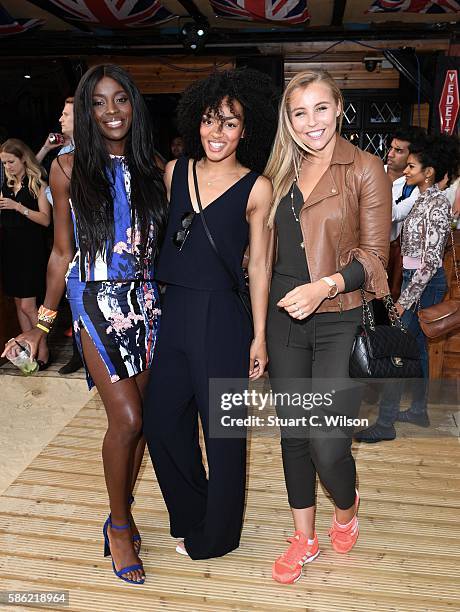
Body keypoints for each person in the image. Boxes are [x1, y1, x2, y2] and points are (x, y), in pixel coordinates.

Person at [2, 64, 168, 584]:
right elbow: (60, 252)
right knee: (127, 420)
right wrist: (43, 325)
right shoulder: (68, 168)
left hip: (146, 301)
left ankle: (122, 506)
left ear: (134, 105)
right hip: (94, 301)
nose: (111, 111)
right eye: (98, 102)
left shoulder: (154, 166)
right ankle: (119, 525)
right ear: (86, 110)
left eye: (121, 99)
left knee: (140, 417)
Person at [263, 69, 391, 584]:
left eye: (321, 108)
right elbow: (261, 258)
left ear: (339, 108)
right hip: (282, 318)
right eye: (300, 112)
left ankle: (346, 504)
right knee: (294, 434)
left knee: (327, 441)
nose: (312, 121)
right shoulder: (277, 173)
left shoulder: (365, 168)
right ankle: (304, 538)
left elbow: (377, 260)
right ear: (288, 120)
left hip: (339, 317)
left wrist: (327, 286)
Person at [143, 68, 277, 560]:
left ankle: (218, 535)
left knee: (222, 434)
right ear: (194, 123)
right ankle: (192, 510)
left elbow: (260, 264)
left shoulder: (257, 187)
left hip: (222, 316)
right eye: (208, 121)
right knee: (161, 421)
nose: (216, 133)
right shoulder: (176, 171)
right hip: (173, 309)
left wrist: (259, 336)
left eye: (229, 123)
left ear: (246, 130)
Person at [355, 134, 460, 443]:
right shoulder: (423, 198)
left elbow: (429, 262)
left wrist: (405, 299)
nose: (406, 170)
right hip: (418, 282)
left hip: (423, 285)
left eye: (412, 166)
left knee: (397, 351)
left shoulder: (437, 205)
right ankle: (418, 409)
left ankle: (386, 423)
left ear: (429, 172)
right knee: (417, 351)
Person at [0, 139, 51, 368]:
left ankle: (43, 351)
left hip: (30, 249)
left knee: (28, 306)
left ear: (23, 159)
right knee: (18, 304)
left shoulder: (37, 182)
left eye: (11, 161)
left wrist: (17, 207)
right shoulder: (7, 185)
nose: (7, 167)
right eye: (3, 164)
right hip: (10, 249)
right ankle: (26, 350)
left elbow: (45, 219)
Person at [385, 126, 426, 302]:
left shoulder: (414, 187)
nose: (391, 154)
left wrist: (372, 193)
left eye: (399, 151)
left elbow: (396, 214)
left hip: (393, 258)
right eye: (391, 147)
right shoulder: (373, 171)